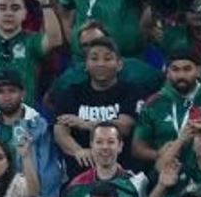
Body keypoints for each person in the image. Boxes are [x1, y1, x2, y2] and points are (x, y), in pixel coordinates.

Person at [50, 37, 142, 179]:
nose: (100, 64)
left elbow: (124, 126)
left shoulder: (131, 91)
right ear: (85, 64)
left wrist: (86, 124)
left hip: (123, 175)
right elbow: (60, 131)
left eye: (107, 59)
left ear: (119, 64)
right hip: (80, 175)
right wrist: (78, 151)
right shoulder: (72, 93)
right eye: (94, 59)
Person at [132, 49, 201, 167]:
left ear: (199, 71)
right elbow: (137, 148)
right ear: (167, 72)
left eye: (187, 69)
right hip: (166, 173)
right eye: (175, 70)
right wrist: (158, 154)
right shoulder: (154, 104)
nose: (181, 75)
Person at [58, 123, 146, 197]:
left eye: (111, 142)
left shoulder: (137, 183)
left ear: (120, 146)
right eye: (99, 142)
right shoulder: (77, 186)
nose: (105, 147)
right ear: (92, 145)